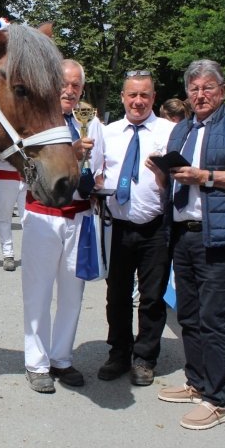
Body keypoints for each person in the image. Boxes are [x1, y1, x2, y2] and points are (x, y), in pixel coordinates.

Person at [148, 59, 225, 430]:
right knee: (188, 315)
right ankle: (196, 381)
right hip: (182, 233)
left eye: (208, 88)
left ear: (222, 90)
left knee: (214, 318)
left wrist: (206, 176)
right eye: (194, 89)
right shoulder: (180, 129)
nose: (200, 95)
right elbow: (175, 184)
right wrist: (162, 176)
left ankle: (217, 398)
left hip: (220, 236)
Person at [21, 59, 104, 392]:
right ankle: (37, 364)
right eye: (64, 85)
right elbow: (29, 167)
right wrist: (69, 153)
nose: (69, 92)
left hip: (80, 216)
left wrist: (97, 181)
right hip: (43, 214)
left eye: (76, 86)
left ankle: (62, 358)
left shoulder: (91, 121)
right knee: (38, 294)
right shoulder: (37, 120)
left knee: (73, 295)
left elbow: (100, 166)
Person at [94, 70, 176, 386]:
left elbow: (180, 180)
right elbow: (98, 170)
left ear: (154, 98)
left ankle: (144, 358)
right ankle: (118, 354)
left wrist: (164, 177)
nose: (138, 101)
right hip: (118, 227)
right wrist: (97, 182)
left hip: (155, 228)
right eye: (132, 95)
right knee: (116, 295)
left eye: (144, 95)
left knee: (153, 298)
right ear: (123, 97)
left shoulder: (170, 132)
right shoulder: (109, 132)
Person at [0, 142, 29, 271]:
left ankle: (30, 254)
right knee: (5, 218)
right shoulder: (1, 129)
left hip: (27, 177)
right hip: (5, 177)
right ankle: (8, 255)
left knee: (29, 220)